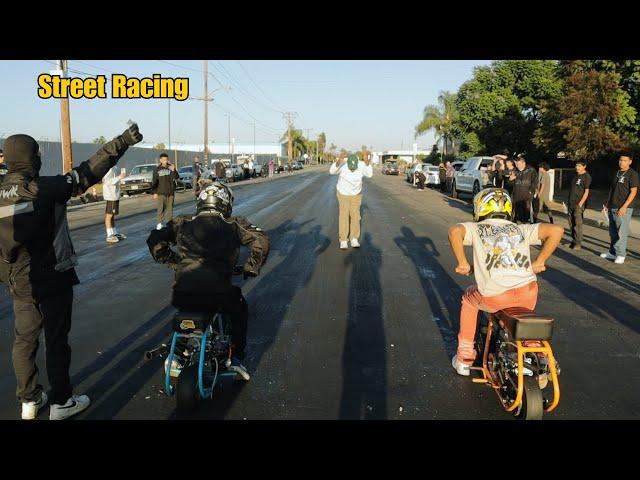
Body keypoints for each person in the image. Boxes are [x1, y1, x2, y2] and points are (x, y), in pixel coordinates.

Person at [0, 124, 143, 419]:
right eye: (37, 153)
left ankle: (29, 400)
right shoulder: (42, 187)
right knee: (55, 341)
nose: (39, 158)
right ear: (30, 157)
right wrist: (122, 141)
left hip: (17, 280)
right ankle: (61, 402)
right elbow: (87, 172)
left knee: (24, 340)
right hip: (52, 276)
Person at [146, 180, 269, 378]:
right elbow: (260, 240)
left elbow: (154, 239)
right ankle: (235, 357)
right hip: (219, 293)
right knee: (239, 307)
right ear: (225, 202)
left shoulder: (182, 221)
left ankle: (177, 354)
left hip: (182, 293)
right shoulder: (233, 223)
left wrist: (175, 261)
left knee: (189, 308)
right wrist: (251, 267)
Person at [447, 188, 564, 375]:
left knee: (469, 300)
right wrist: (540, 261)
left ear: (480, 208)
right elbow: (557, 230)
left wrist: (462, 263)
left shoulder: (476, 229)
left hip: (496, 294)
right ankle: (533, 352)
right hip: (528, 291)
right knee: (520, 316)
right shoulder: (520, 228)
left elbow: (454, 232)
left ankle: (465, 357)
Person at [329, 150, 373, 249]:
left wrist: (367, 161)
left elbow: (369, 174)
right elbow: (331, 171)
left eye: (354, 168)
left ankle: (354, 239)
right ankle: (343, 240)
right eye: (351, 168)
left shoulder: (361, 165)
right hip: (343, 193)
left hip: (356, 194)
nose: (352, 170)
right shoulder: (343, 163)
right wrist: (338, 161)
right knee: (344, 215)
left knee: (355, 216)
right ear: (347, 163)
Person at [601, 153, 638, 264]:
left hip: (624, 208)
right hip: (613, 205)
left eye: (624, 160)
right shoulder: (616, 173)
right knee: (613, 232)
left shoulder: (633, 174)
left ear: (630, 162)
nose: (621, 162)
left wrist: (624, 206)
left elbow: (633, 191)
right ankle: (612, 253)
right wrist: (607, 204)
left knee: (621, 232)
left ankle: (621, 254)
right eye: (620, 160)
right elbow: (612, 190)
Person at [566, 160, 591, 251]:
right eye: (576, 166)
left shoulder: (586, 177)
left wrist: (581, 203)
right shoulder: (575, 176)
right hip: (571, 202)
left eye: (579, 166)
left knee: (578, 224)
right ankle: (574, 240)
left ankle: (578, 243)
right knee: (571, 223)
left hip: (578, 203)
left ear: (584, 166)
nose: (577, 168)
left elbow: (587, 191)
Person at [151, 153, 178, 230]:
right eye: (163, 160)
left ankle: (169, 224)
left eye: (166, 159)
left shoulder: (170, 168)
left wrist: (173, 170)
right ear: (160, 160)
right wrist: (154, 192)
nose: (165, 161)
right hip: (161, 192)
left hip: (170, 192)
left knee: (170, 209)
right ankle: (159, 223)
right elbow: (154, 182)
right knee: (161, 209)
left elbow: (176, 177)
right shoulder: (157, 169)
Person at [102, 165, 127, 243]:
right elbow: (107, 181)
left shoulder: (115, 168)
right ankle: (109, 235)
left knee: (112, 215)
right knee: (109, 215)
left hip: (115, 195)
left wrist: (120, 179)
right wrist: (119, 177)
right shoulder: (107, 169)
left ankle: (114, 233)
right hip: (110, 195)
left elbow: (116, 180)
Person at [512, 155, 538, 224]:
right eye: (516, 164)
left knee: (527, 214)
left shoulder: (531, 170)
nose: (516, 165)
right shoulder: (514, 170)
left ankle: (528, 225)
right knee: (518, 215)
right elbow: (510, 184)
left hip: (527, 196)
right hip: (517, 196)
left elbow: (535, 181)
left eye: (518, 163)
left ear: (523, 163)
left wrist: (531, 190)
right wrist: (510, 179)